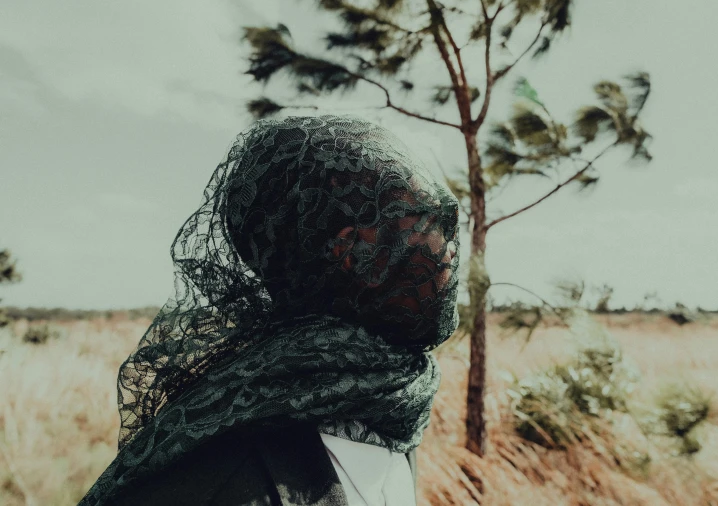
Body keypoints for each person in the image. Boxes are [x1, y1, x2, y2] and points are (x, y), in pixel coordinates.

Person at [76, 114, 461, 505]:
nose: (449, 241)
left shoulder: (392, 401)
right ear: (356, 254)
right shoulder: (218, 478)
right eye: (432, 218)